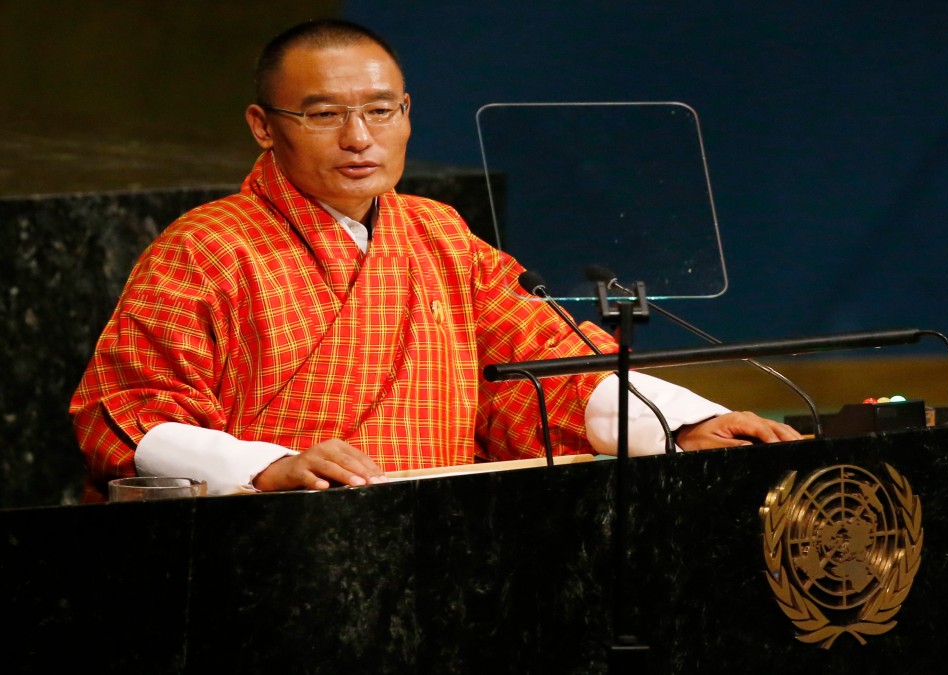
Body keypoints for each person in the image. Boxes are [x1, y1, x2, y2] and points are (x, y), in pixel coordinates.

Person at [69, 18, 802, 501]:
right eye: (324, 114)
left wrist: (679, 426)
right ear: (264, 127)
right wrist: (263, 468)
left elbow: (544, 364)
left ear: (408, 114)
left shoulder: (437, 233)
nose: (359, 137)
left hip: (442, 540)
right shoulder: (205, 247)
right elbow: (128, 414)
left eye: (381, 110)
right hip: (273, 549)